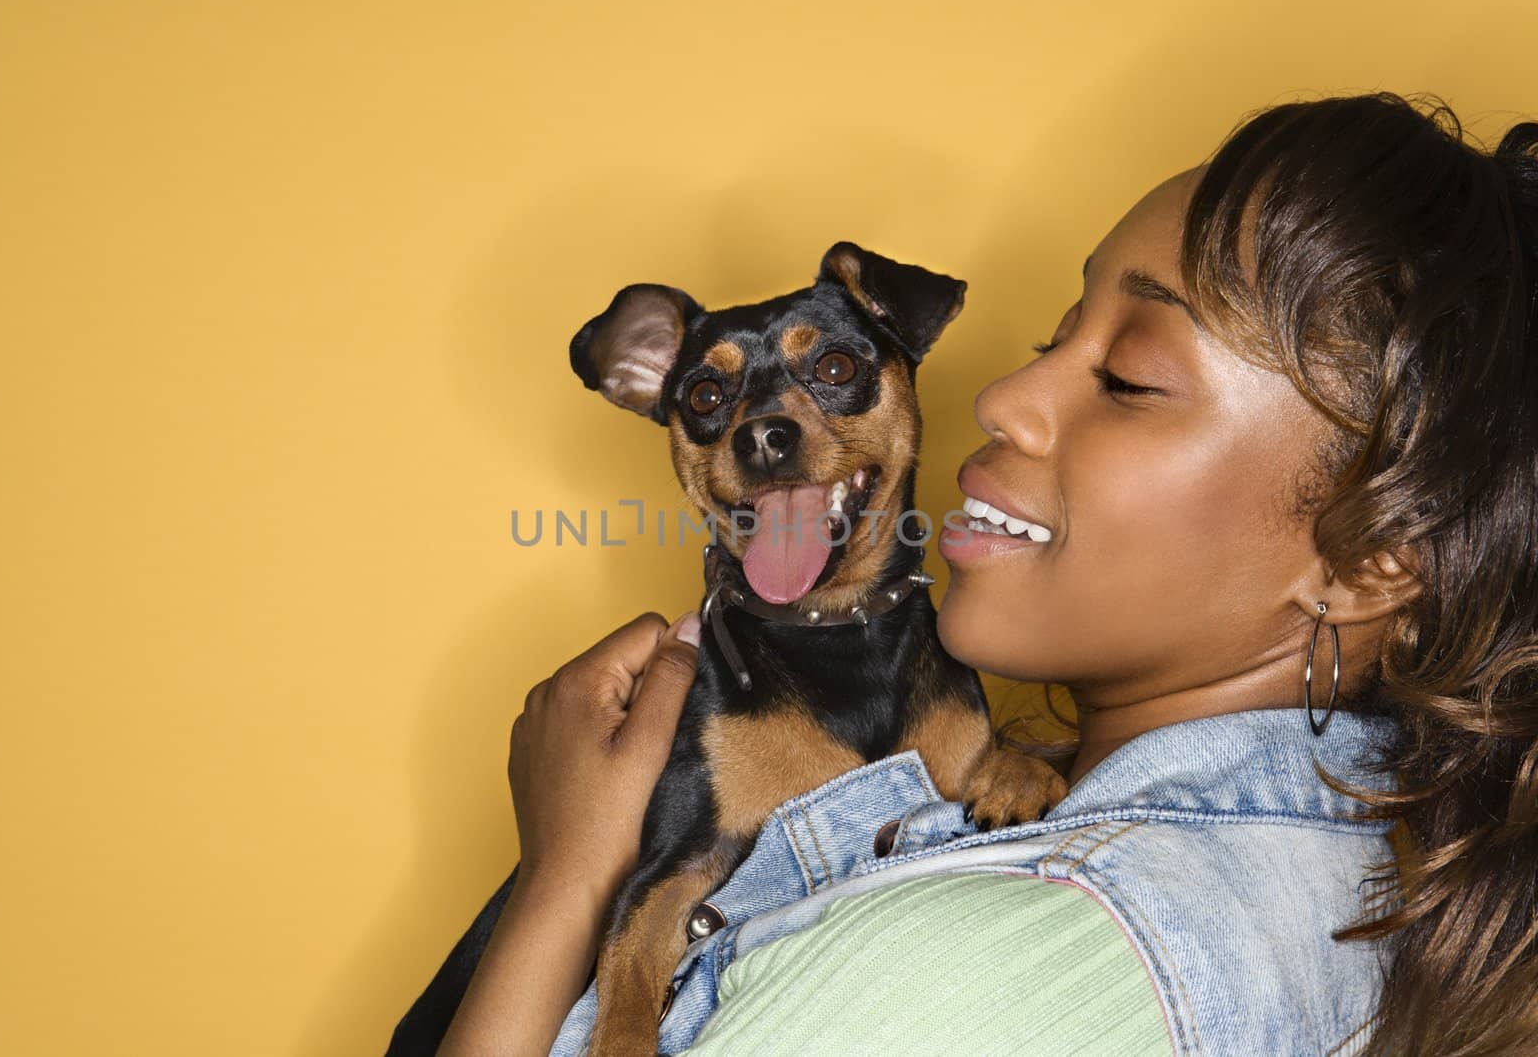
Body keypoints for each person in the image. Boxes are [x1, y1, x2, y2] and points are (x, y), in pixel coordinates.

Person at [429, 92, 1538, 1056]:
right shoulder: (1337, 895)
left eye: (1131, 377)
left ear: (1362, 567)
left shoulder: (993, 968)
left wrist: (565, 880)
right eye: (1058, 332)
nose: (1004, 394)